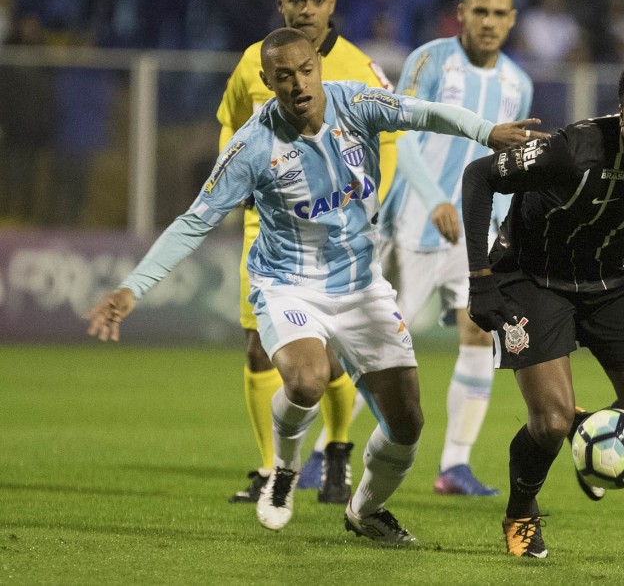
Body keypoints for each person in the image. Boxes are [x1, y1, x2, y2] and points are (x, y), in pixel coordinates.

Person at [86, 27, 540, 543]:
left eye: (306, 70)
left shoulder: (357, 104)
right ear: (268, 81)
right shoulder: (253, 146)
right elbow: (195, 220)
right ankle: (283, 471)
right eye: (284, 76)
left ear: (318, 68)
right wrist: (132, 288)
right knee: (307, 378)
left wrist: (486, 132)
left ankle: (365, 511)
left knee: (408, 424)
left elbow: (422, 112)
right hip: (288, 285)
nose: (299, 83)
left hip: (362, 286)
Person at [460, 57, 624, 558]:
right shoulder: (571, 151)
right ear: (620, 114)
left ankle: (589, 437)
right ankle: (522, 512)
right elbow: (478, 176)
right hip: (532, 277)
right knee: (549, 421)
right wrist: (480, 279)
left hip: (613, 280)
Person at [216, 0, 397, 506]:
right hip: (266, 226)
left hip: (336, 230)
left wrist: (371, 199)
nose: (307, 10)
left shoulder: (358, 67)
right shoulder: (255, 60)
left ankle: (337, 451)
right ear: (281, 3)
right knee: (257, 350)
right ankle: (273, 470)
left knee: (332, 354)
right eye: (297, 1)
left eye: (316, 0)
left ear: (332, 3)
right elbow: (230, 119)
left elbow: (387, 140)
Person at [378, 0, 534, 497]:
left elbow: (509, 164)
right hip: (416, 226)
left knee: (479, 334)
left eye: (499, 14)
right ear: (462, 14)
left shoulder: (518, 82)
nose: (489, 22)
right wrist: (433, 198)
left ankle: (455, 466)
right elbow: (399, 134)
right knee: (379, 343)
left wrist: (501, 226)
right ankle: (328, 451)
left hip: (475, 234)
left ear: (511, 21)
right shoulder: (430, 60)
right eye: (480, 12)